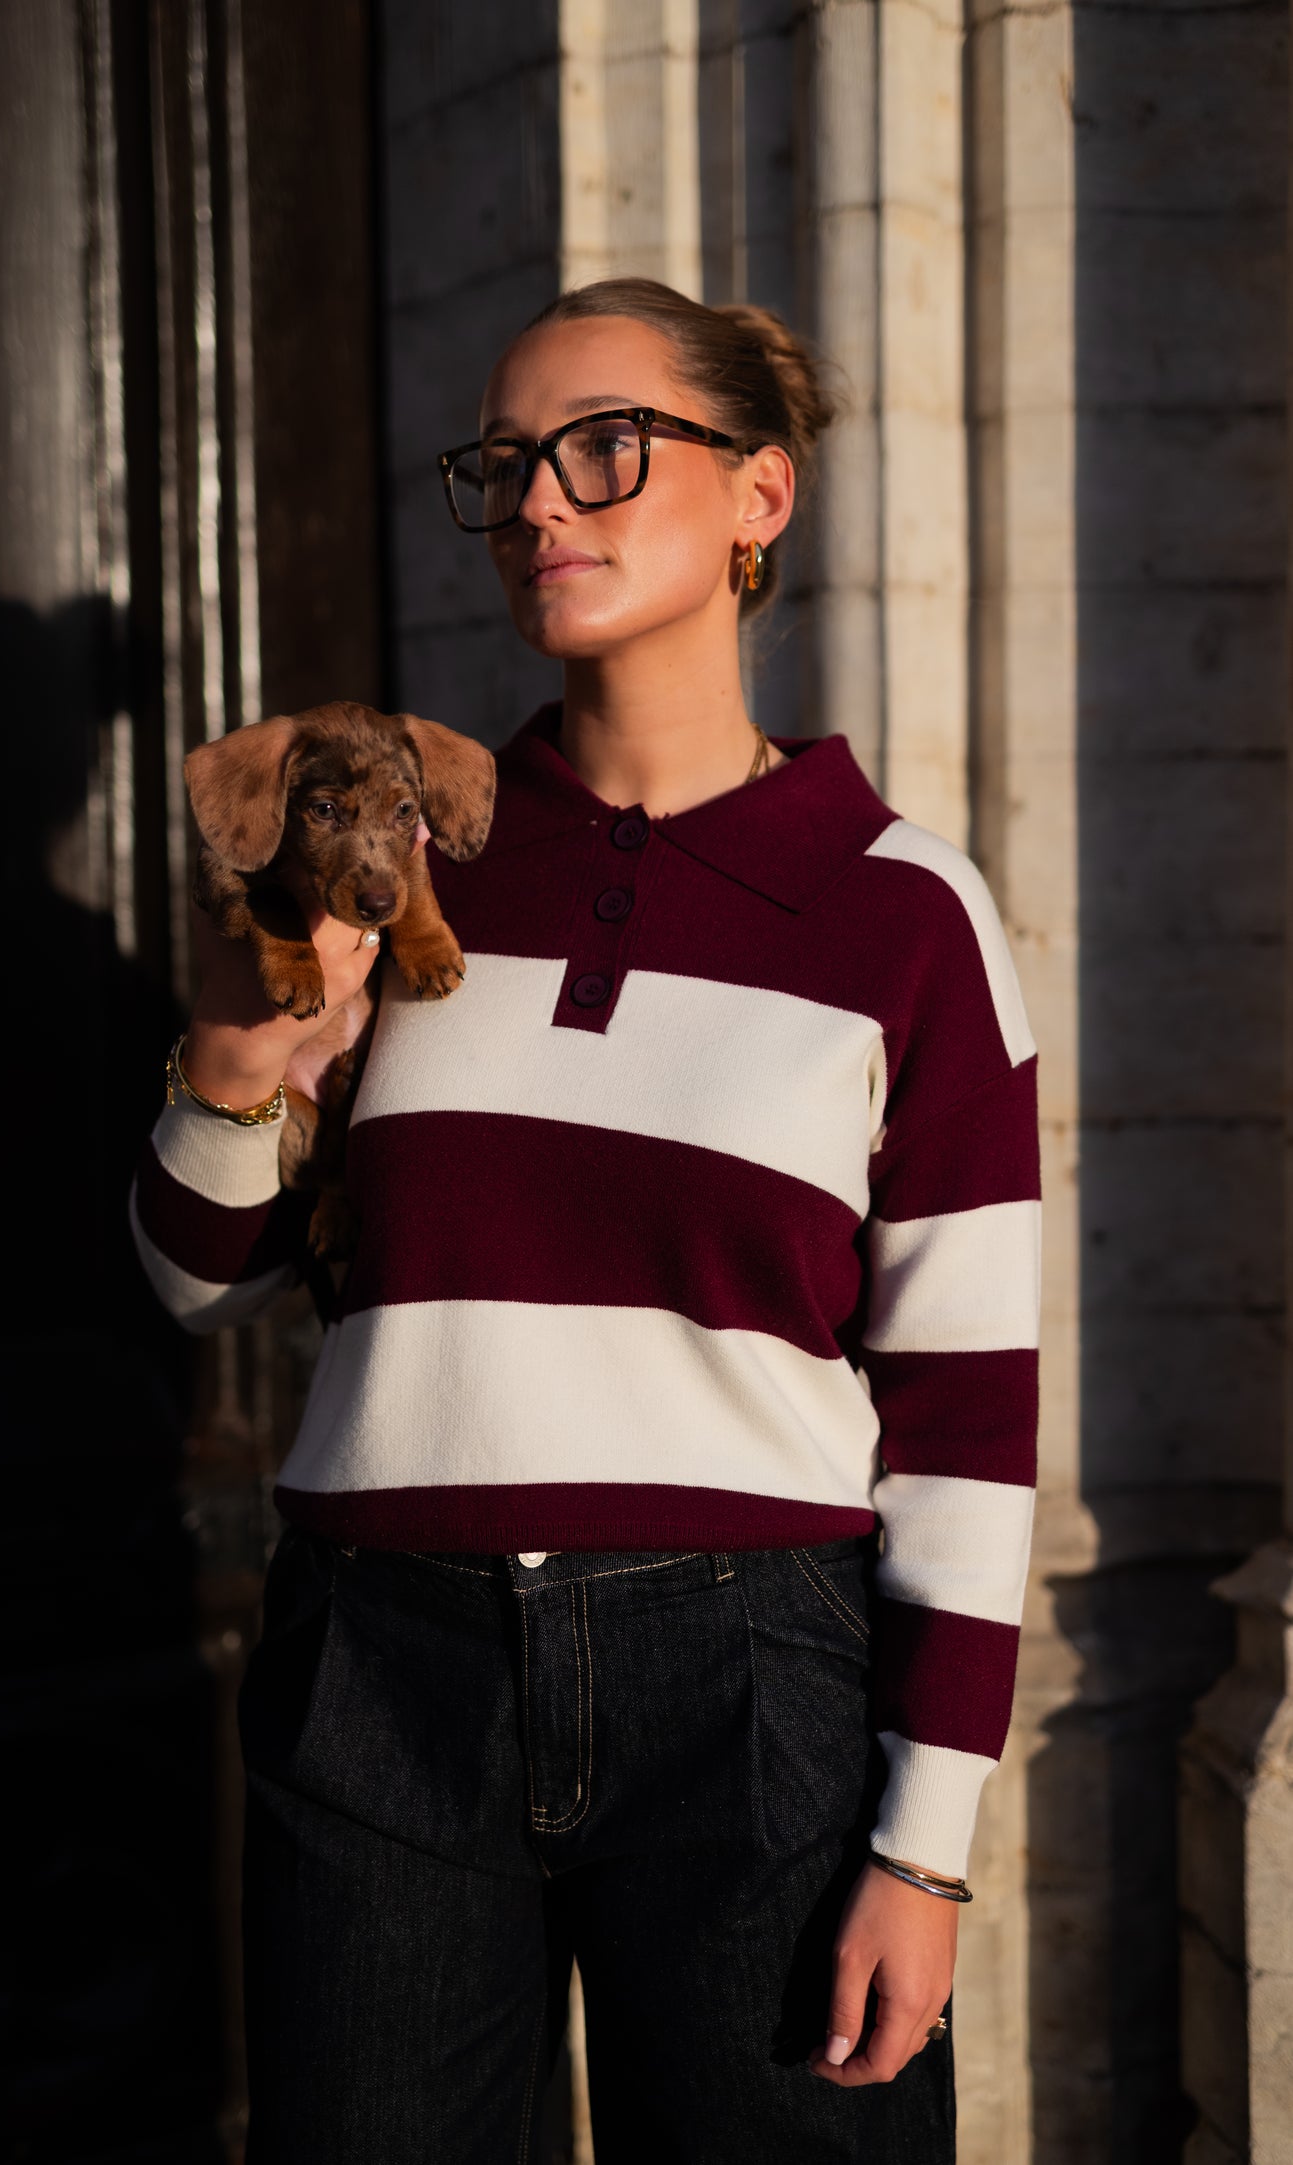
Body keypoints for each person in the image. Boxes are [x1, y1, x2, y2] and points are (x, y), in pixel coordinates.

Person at [131, 277, 1040, 2163]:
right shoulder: (401, 856)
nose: (540, 502)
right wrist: (236, 1068)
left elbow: (968, 1423)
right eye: (505, 465)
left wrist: (924, 1853)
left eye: (605, 449)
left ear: (758, 498)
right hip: (378, 1685)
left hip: (754, 1699)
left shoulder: (901, 915)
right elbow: (192, 1277)